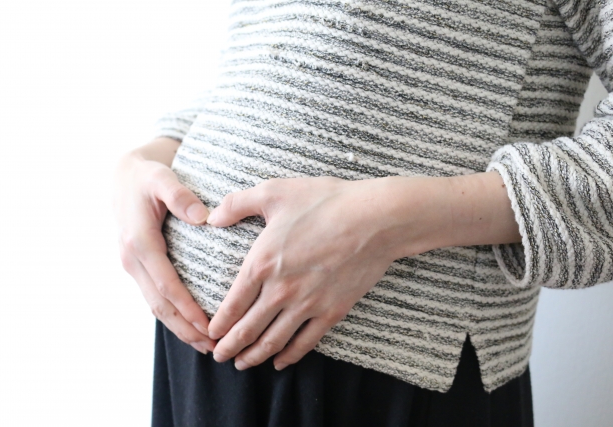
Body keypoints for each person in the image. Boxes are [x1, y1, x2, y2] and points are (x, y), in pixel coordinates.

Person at [113, 0, 613, 425]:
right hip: (194, 352)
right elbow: (280, 54)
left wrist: (385, 221)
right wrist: (149, 157)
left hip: (392, 361)